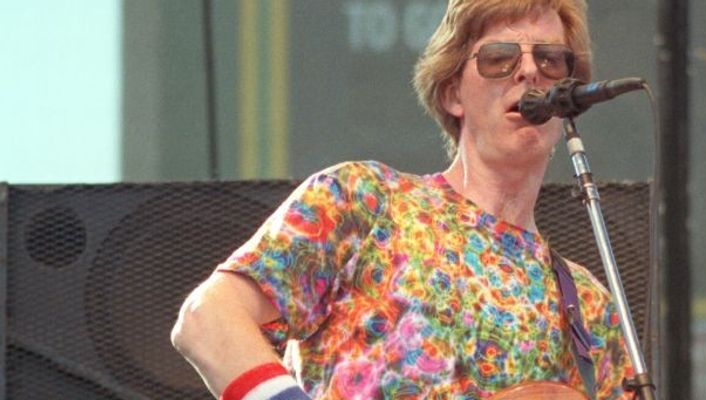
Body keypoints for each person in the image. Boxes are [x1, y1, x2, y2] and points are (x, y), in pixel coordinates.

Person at [170, 0, 634, 398]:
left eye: (551, 60)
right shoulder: (364, 202)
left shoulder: (589, 307)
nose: (530, 71)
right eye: (499, 58)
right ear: (453, 92)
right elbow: (207, 320)